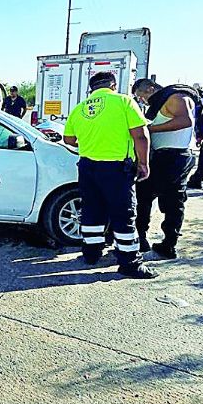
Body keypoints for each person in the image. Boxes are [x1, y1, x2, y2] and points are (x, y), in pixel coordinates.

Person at [63, 71, 156, 279]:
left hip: (87, 167)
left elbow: (68, 139)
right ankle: (130, 263)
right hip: (116, 169)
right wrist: (144, 163)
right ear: (113, 86)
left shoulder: (80, 108)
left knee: (92, 212)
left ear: (92, 88)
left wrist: (88, 143)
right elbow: (140, 136)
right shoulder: (124, 101)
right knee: (123, 214)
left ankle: (91, 253)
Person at [131, 79, 198, 259]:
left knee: (146, 197)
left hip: (170, 157)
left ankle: (147, 240)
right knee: (171, 202)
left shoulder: (176, 97)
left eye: (142, 96)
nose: (143, 101)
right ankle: (166, 244)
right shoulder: (166, 100)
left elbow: (186, 121)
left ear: (151, 89)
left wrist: (151, 129)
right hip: (173, 157)